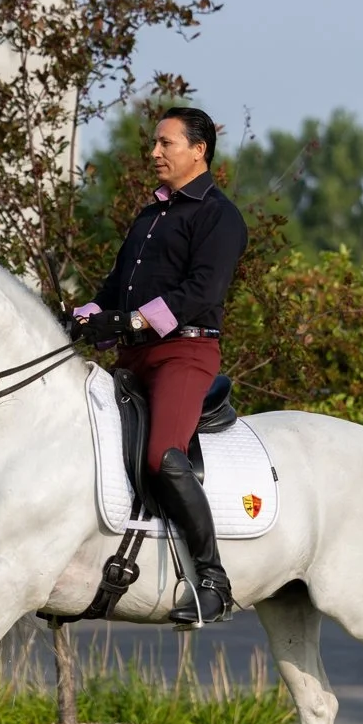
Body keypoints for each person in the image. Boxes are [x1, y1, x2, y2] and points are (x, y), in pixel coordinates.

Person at [71, 106, 247, 624]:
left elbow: (201, 293)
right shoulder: (150, 216)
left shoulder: (219, 216)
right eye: (155, 143)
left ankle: (213, 581)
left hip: (185, 352)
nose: (154, 152)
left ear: (199, 150)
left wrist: (131, 325)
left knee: (161, 457)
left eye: (165, 143)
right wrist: (81, 318)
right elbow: (114, 289)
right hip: (134, 354)